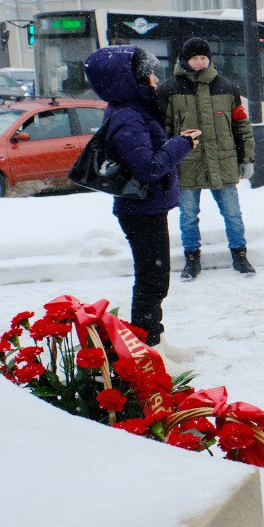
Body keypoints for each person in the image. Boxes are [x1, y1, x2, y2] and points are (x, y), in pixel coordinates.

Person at [84, 46, 199, 346]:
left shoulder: (134, 110)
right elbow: (147, 167)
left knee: (154, 280)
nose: (156, 79)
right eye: (149, 73)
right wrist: (182, 145)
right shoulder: (129, 117)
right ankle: (147, 347)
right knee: (152, 282)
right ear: (131, 80)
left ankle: (150, 340)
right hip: (141, 210)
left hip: (145, 208)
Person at [158, 38, 257, 280]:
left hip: (223, 163)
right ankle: (192, 259)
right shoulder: (169, 90)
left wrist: (247, 157)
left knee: (233, 213)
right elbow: (163, 129)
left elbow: (241, 124)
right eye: (194, 58)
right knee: (189, 215)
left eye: (203, 57)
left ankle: (240, 255)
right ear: (185, 60)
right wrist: (165, 160)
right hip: (186, 164)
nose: (199, 62)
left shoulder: (227, 87)